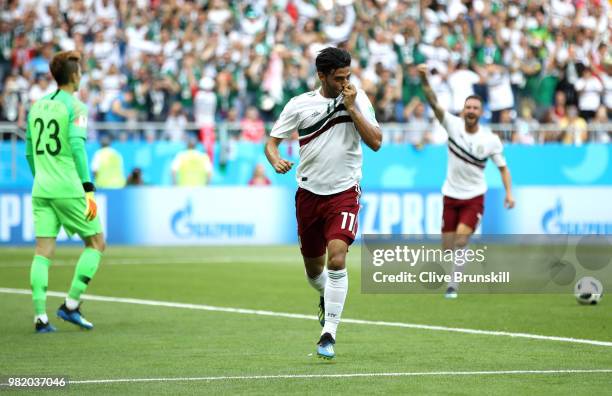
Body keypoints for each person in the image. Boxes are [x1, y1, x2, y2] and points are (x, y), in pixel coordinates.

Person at [264, 47, 382, 359]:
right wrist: (276, 160)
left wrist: (353, 107)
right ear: (322, 76)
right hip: (308, 194)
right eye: (339, 78)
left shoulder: (358, 98)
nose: (346, 82)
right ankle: (326, 296)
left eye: (348, 76)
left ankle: (328, 333)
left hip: (344, 192)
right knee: (315, 272)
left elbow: (376, 143)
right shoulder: (300, 105)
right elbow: (272, 143)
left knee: (338, 259)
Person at [418, 63, 514, 299]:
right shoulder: (452, 125)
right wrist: (424, 81)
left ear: (481, 112)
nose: (470, 110)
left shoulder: (490, 139)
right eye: (467, 107)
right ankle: (456, 272)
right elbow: (432, 101)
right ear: (462, 110)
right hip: (450, 193)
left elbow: (503, 168)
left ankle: (453, 284)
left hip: (474, 196)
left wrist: (509, 193)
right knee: (448, 246)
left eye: (475, 108)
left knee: (461, 239)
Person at [25, 50, 105, 333]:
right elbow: (79, 148)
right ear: (73, 76)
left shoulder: (36, 106)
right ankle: (70, 306)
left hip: (41, 188)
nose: (82, 75)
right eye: (80, 71)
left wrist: (42, 178)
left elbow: (28, 153)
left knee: (42, 252)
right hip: (68, 187)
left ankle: (40, 318)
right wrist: (88, 189)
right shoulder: (76, 107)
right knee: (96, 243)